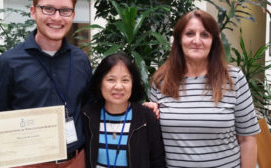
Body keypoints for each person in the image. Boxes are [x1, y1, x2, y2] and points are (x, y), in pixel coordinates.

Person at [0, 0, 92, 167]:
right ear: (33, 11)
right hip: (29, 162)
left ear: (72, 15)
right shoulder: (9, 63)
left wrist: (140, 109)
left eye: (65, 10)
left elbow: (92, 105)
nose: (56, 17)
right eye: (48, 9)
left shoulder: (80, 59)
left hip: (76, 160)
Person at [149, 9, 261, 168]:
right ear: (179, 40)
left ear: (214, 41)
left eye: (205, 35)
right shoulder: (161, 81)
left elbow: (247, 139)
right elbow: (154, 138)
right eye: (189, 34)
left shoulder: (234, 78)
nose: (197, 40)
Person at [82, 53, 166, 168]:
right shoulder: (87, 116)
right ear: (100, 83)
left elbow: (157, 161)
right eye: (111, 80)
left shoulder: (146, 117)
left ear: (133, 84)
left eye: (125, 80)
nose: (118, 86)